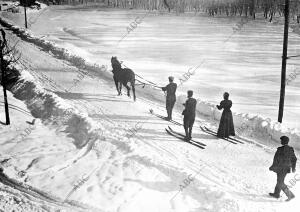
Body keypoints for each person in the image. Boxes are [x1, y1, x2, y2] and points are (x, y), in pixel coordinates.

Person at [269, 136, 297, 201]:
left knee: (280, 182)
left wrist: (272, 167)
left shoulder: (280, 149)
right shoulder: (290, 149)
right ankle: (276, 194)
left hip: (280, 168)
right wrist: (293, 168)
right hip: (286, 169)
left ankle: (290, 195)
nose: (280, 142)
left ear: (283, 141)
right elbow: (294, 159)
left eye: (281, 140)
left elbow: (276, 159)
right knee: (280, 180)